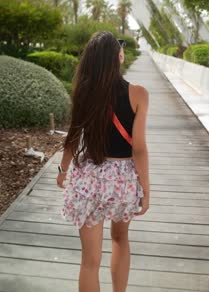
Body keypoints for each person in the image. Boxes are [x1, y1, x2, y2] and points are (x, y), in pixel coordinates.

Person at [56, 31, 149, 292]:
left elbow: (72, 138)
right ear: (118, 56)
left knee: (89, 262)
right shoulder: (139, 94)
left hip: (88, 179)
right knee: (120, 239)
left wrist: (62, 171)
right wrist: (146, 191)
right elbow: (139, 149)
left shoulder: (84, 92)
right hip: (122, 180)